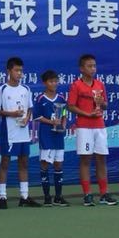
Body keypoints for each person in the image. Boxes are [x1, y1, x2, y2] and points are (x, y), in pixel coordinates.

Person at [67, 54, 118, 207]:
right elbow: (70, 106)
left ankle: (104, 193)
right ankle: (87, 194)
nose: (93, 69)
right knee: (86, 160)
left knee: (101, 159)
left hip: (99, 126)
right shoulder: (76, 85)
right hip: (84, 127)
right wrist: (87, 114)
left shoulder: (100, 85)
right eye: (89, 66)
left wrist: (101, 102)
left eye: (94, 66)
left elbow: (105, 105)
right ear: (81, 69)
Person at [0, 57, 40, 209]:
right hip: (9, 132)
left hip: (23, 132)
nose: (19, 73)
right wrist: (11, 114)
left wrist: (27, 118)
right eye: (16, 70)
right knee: (5, 162)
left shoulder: (26, 89)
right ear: (9, 71)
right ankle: (2, 197)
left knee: (24, 162)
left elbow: (30, 108)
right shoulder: (2, 89)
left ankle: (24, 196)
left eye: (21, 70)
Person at [33, 69, 69, 207]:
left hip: (58, 136)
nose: (54, 84)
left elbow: (64, 113)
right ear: (45, 83)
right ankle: (47, 197)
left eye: (55, 81)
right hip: (46, 136)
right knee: (45, 164)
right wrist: (51, 122)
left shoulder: (61, 98)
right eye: (51, 81)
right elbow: (37, 117)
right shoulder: (40, 99)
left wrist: (63, 125)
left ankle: (58, 197)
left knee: (58, 164)